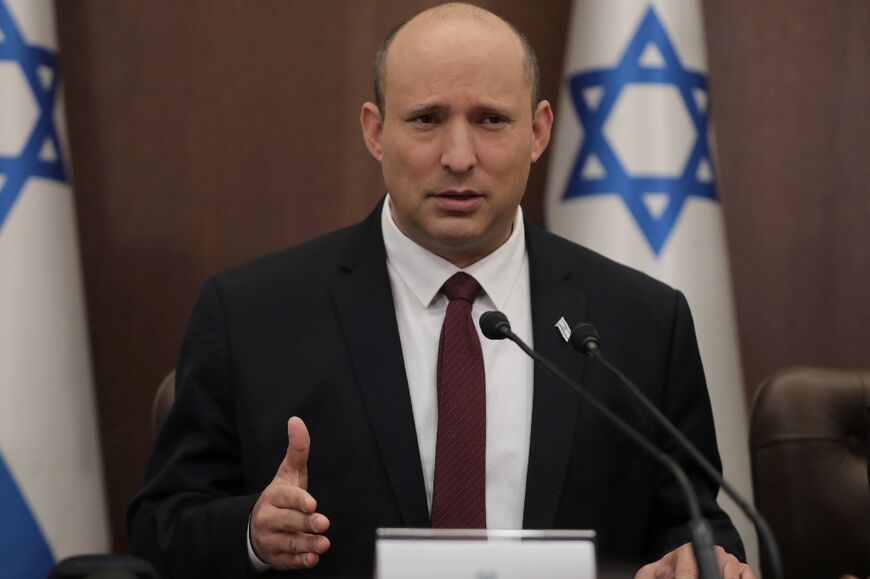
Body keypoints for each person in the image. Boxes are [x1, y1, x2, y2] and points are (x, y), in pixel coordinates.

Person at [129, 3, 756, 578]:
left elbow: (696, 522)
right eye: (427, 119)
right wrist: (250, 534)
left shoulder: (642, 322)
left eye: (490, 120)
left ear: (538, 133)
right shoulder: (251, 316)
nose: (459, 155)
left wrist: (701, 560)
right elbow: (162, 525)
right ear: (375, 132)